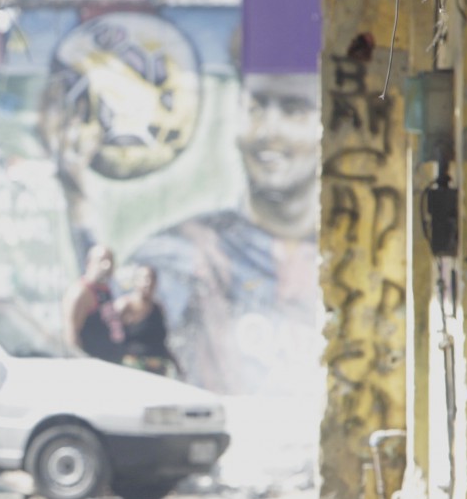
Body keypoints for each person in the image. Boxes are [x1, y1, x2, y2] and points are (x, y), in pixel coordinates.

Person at [127, 71, 322, 395]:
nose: (269, 132)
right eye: (256, 108)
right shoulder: (180, 253)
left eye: (294, 110)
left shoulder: (353, 254)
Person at [61, 244, 125, 361]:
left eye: (110, 261)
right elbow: (71, 336)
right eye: (102, 260)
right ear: (89, 263)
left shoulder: (104, 289)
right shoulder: (81, 292)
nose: (107, 266)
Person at [117, 264, 179, 378]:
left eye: (152, 278)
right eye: (144, 278)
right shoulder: (124, 306)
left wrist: (177, 365)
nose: (148, 283)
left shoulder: (158, 308)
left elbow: (163, 342)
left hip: (158, 368)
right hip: (133, 369)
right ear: (135, 281)